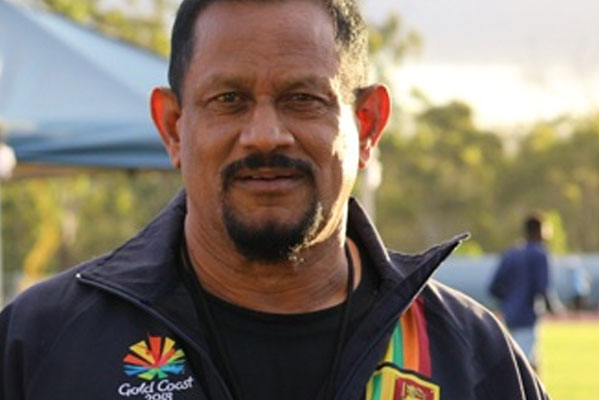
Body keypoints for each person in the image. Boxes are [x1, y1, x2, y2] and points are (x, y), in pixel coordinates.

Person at [0, 1, 549, 399]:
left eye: (303, 98)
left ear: (367, 125)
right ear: (172, 126)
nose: (265, 136)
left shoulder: (472, 358)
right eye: (229, 99)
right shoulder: (40, 344)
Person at [489, 212, 560, 370]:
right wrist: (554, 308)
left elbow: (494, 287)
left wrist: (508, 302)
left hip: (509, 316)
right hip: (528, 316)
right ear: (540, 230)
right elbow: (542, 287)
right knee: (523, 366)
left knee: (530, 362)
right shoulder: (540, 254)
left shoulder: (511, 254)